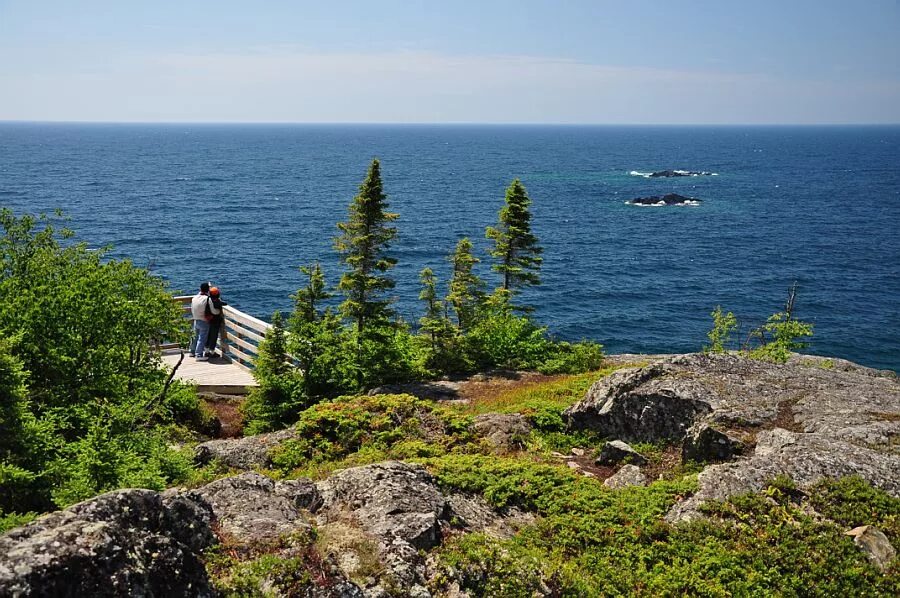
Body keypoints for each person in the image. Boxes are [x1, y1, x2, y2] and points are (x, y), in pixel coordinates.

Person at [189, 281, 220, 361]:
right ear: (208, 290)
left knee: (195, 337)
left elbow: (192, 308)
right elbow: (213, 311)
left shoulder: (194, 298)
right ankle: (199, 355)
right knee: (202, 338)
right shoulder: (207, 299)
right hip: (204, 321)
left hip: (196, 319)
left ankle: (192, 352)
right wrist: (218, 312)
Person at [206, 286, 228, 358]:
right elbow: (223, 304)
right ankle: (212, 352)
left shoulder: (208, 299)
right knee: (214, 336)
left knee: (208, 336)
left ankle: (206, 351)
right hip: (215, 321)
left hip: (208, 320)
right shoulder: (216, 302)